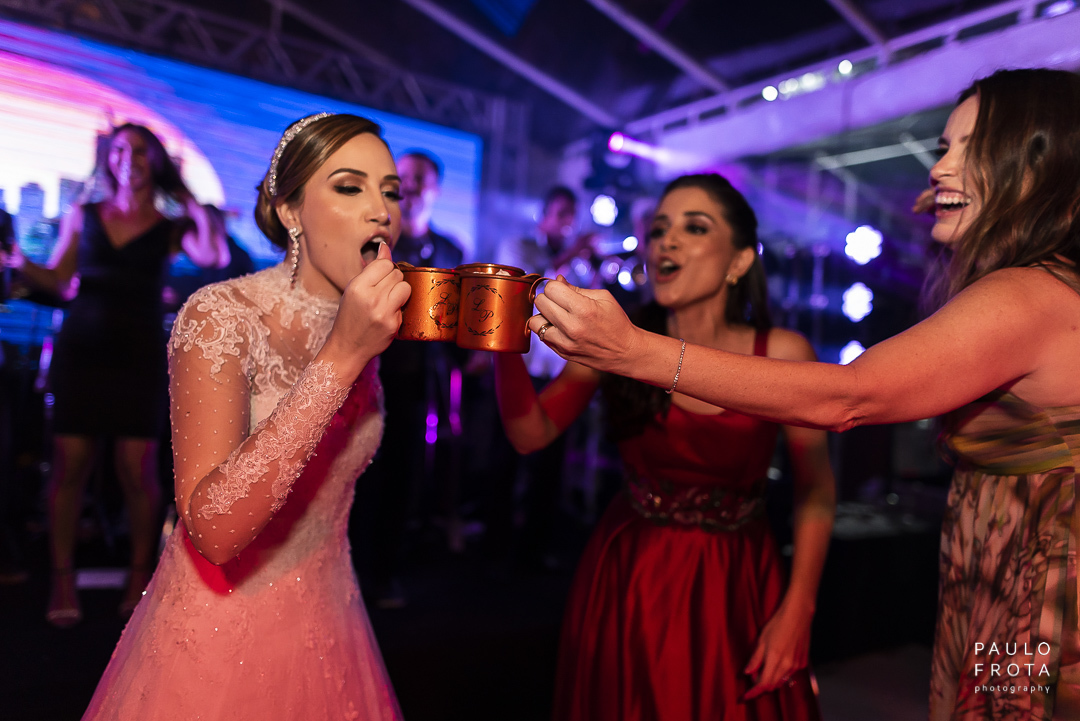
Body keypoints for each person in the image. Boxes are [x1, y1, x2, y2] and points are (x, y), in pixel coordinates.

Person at [528, 68, 1080, 720]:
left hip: (1042, 596)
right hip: (996, 581)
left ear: (1033, 164)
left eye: (970, 145)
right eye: (943, 147)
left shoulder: (1027, 292)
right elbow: (532, 431)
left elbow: (851, 396)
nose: (939, 169)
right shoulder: (1027, 285)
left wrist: (629, 350)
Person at [80, 112, 410, 719]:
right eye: (349, 186)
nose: (381, 210)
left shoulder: (366, 327)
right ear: (290, 212)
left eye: (390, 192)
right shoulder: (221, 317)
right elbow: (214, 532)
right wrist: (340, 359)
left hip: (333, 617)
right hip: (220, 636)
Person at [496, 173, 835, 720]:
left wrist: (799, 607)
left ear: (740, 260)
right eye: (658, 230)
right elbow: (530, 434)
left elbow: (816, 490)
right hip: (633, 572)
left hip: (737, 578)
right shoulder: (618, 339)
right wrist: (502, 341)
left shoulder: (783, 351)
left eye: (694, 227)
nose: (665, 242)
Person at [6, 123, 228, 626]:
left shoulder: (171, 227)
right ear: (109, 159)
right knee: (70, 467)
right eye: (122, 149)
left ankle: (138, 576)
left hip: (139, 355)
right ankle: (62, 579)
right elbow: (61, 281)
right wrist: (19, 262)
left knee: (136, 471)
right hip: (82, 349)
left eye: (142, 151)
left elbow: (212, 255)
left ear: (156, 161)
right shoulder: (83, 215)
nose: (131, 158)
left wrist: (189, 198)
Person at [365, 150, 464, 607]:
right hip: (368, 374)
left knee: (405, 478)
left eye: (419, 177)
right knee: (363, 475)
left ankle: (386, 574)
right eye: (402, 176)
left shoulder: (450, 252)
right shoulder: (372, 240)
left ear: (436, 188)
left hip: (422, 379)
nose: (410, 184)